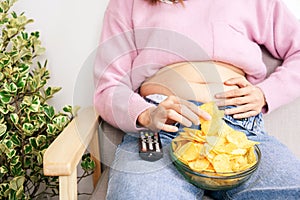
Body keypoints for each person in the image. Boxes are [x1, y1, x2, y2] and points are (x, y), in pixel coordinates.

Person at [93, 0, 300, 199]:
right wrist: (147, 115)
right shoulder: (127, 3)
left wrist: (266, 93)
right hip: (162, 131)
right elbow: (108, 87)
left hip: (240, 129)